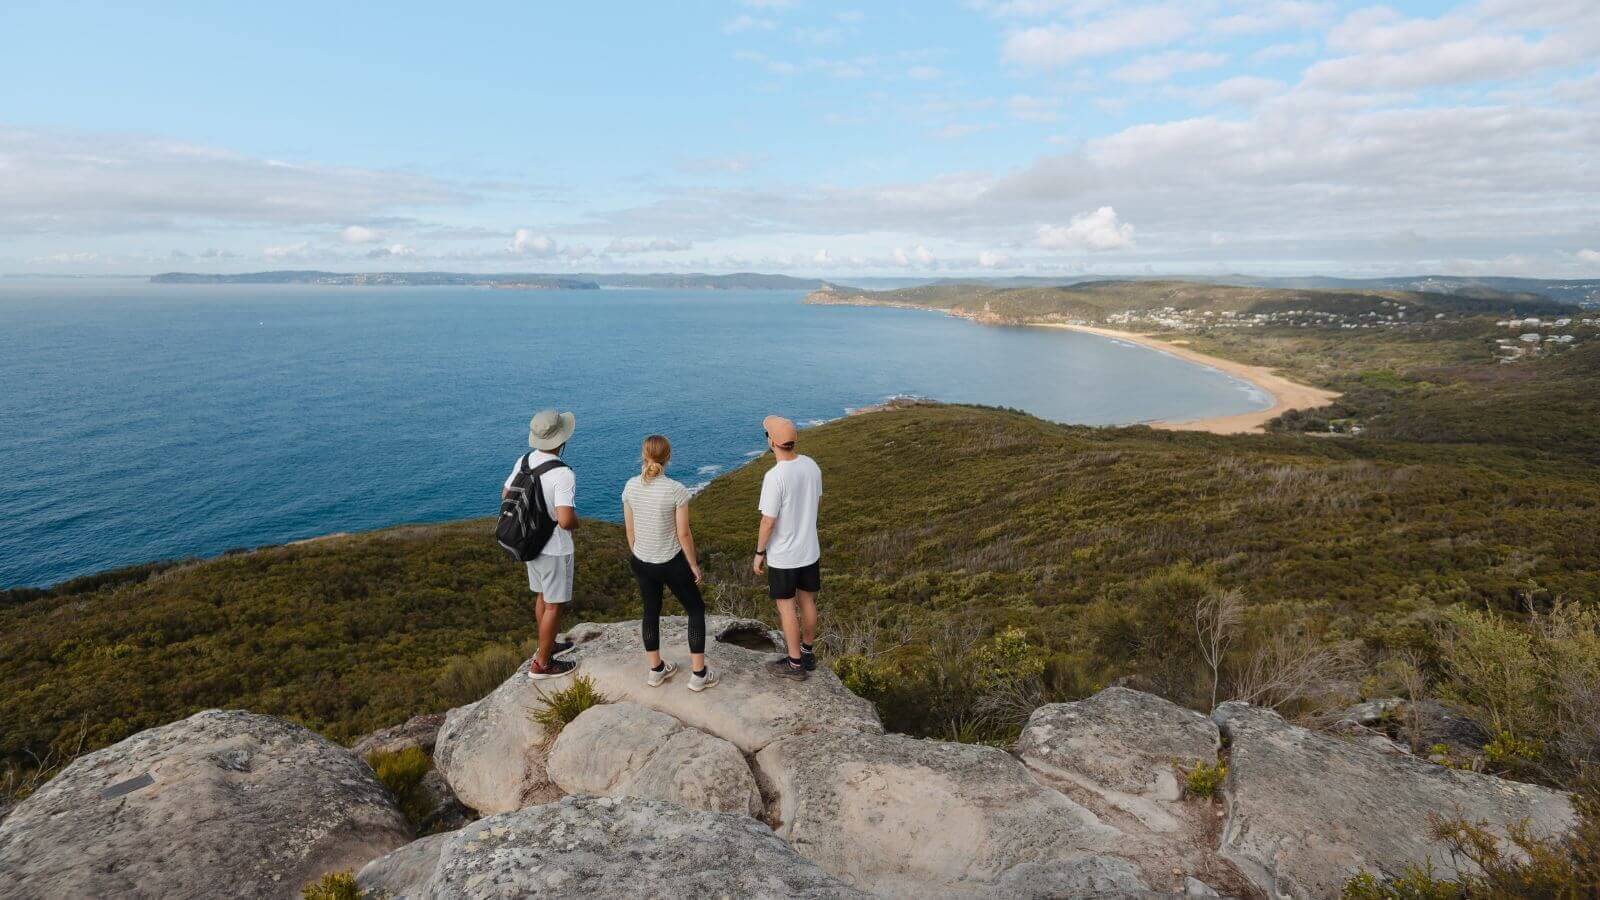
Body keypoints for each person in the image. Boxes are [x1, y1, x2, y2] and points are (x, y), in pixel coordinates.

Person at [622, 435, 717, 692]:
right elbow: (683, 534)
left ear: (644, 455)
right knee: (695, 610)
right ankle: (699, 674)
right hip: (671, 561)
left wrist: (641, 554)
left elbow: (630, 531)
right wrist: (694, 565)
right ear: (669, 457)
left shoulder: (630, 487)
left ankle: (656, 671)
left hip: (642, 560)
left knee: (650, 611)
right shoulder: (676, 490)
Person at [503, 408, 579, 680]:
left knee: (542, 597)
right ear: (561, 440)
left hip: (531, 544)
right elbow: (565, 519)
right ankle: (543, 664)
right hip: (556, 549)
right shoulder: (563, 474)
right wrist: (576, 523)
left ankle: (546, 645)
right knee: (554, 605)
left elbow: (506, 493)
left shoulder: (525, 460)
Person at [751, 415, 823, 681]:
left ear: (772, 442)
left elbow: (768, 521)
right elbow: (815, 505)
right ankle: (807, 652)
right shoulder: (811, 466)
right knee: (807, 600)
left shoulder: (775, 476)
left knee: (786, 607)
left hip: (784, 555)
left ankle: (794, 665)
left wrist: (760, 553)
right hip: (809, 550)